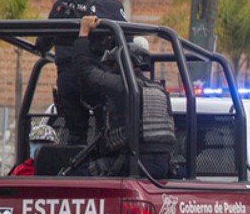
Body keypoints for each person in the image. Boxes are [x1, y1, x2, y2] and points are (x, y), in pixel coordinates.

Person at [37, 0, 127, 146]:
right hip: (97, 79)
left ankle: (75, 169)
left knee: (75, 135)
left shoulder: (61, 4)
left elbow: (41, 44)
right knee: (107, 132)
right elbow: (128, 42)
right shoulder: (110, 7)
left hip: (66, 82)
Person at [72, 15, 175, 178]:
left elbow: (84, 70)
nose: (110, 70)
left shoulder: (123, 86)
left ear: (120, 63)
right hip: (161, 168)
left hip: (135, 164)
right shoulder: (158, 90)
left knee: (74, 176)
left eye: (111, 65)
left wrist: (83, 33)